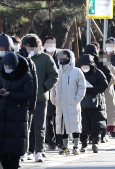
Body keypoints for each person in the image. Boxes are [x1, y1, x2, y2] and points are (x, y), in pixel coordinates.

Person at [0, 52, 33, 169]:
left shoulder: (26, 76)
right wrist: (0, 92)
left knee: (14, 151)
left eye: (9, 66)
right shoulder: (3, 74)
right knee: (1, 150)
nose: (7, 68)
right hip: (2, 115)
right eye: (5, 65)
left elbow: (26, 95)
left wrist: (10, 94)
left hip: (17, 117)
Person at [22, 34, 58, 162]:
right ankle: (26, 151)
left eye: (31, 46)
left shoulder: (46, 58)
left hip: (41, 98)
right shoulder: (22, 59)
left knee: (39, 126)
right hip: (25, 98)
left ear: (38, 46)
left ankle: (39, 150)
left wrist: (43, 87)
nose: (29, 49)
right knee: (26, 126)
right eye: (27, 47)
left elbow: (54, 75)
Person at [50, 50, 86, 155]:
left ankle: (76, 146)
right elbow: (52, 87)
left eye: (65, 56)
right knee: (62, 126)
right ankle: (65, 146)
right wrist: (53, 99)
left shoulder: (77, 71)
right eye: (61, 57)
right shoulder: (57, 72)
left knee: (75, 124)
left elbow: (82, 86)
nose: (63, 58)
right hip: (60, 103)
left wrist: (77, 98)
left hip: (72, 103)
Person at [74, 54, 108, 153]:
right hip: (82, 103)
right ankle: (83, 145)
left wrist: (93, 88)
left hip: (96, 103)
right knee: (83, 125)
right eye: (83, 66)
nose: (85, 68)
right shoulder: (77, 72)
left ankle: (95, 143)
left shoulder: (97, 72)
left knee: (95, 125)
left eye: (87, 66)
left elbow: (104, 85)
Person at [43, 36, 61, 151]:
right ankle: (51, 141)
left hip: (58, 90)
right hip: (45, 90)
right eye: (48, 43)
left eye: (52, 43)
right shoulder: (41, 57)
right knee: (48, 117)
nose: (50, 45)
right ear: (44, 45)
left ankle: (60, 141)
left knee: (58, 117)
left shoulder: (60, 56)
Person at [98, 51, 115, 143]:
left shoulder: (112, 67)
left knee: (108, 114)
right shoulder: (96, 66)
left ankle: (105, 134)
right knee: (99, 114)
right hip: (99, 92)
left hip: (109, 93)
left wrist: (109, 74)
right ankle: (98, 134)